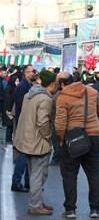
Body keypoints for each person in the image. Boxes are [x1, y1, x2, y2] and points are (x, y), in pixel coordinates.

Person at [55, 72, 99, 219]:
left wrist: (61, 139)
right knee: (94, 173)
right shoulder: (93, 92)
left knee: (69, 174)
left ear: (62, 84)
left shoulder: (62, 97)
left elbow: (60, 123)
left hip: (72, 137)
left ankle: (70, 209)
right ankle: (95, 209)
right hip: (93, 135)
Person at [13, 70, 56, 216]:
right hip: (38, 141)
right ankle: (35, 205)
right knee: (39, 174)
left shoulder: (29, 94)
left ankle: (36, 201)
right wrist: (48, 136)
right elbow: (43, 122)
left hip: (27, 139)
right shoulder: (45, 99)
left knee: (33, 173)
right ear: (52, 83)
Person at [11, 65, 36, 192]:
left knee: (28, 155)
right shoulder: (22, 87)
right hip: (25, 123)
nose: (34, 73)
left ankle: (27, 182)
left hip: (27, 123)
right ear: (26, 73)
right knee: (24, 154)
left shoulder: (27, 85)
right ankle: (17, 182)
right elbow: (24, 107)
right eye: (32, 71)